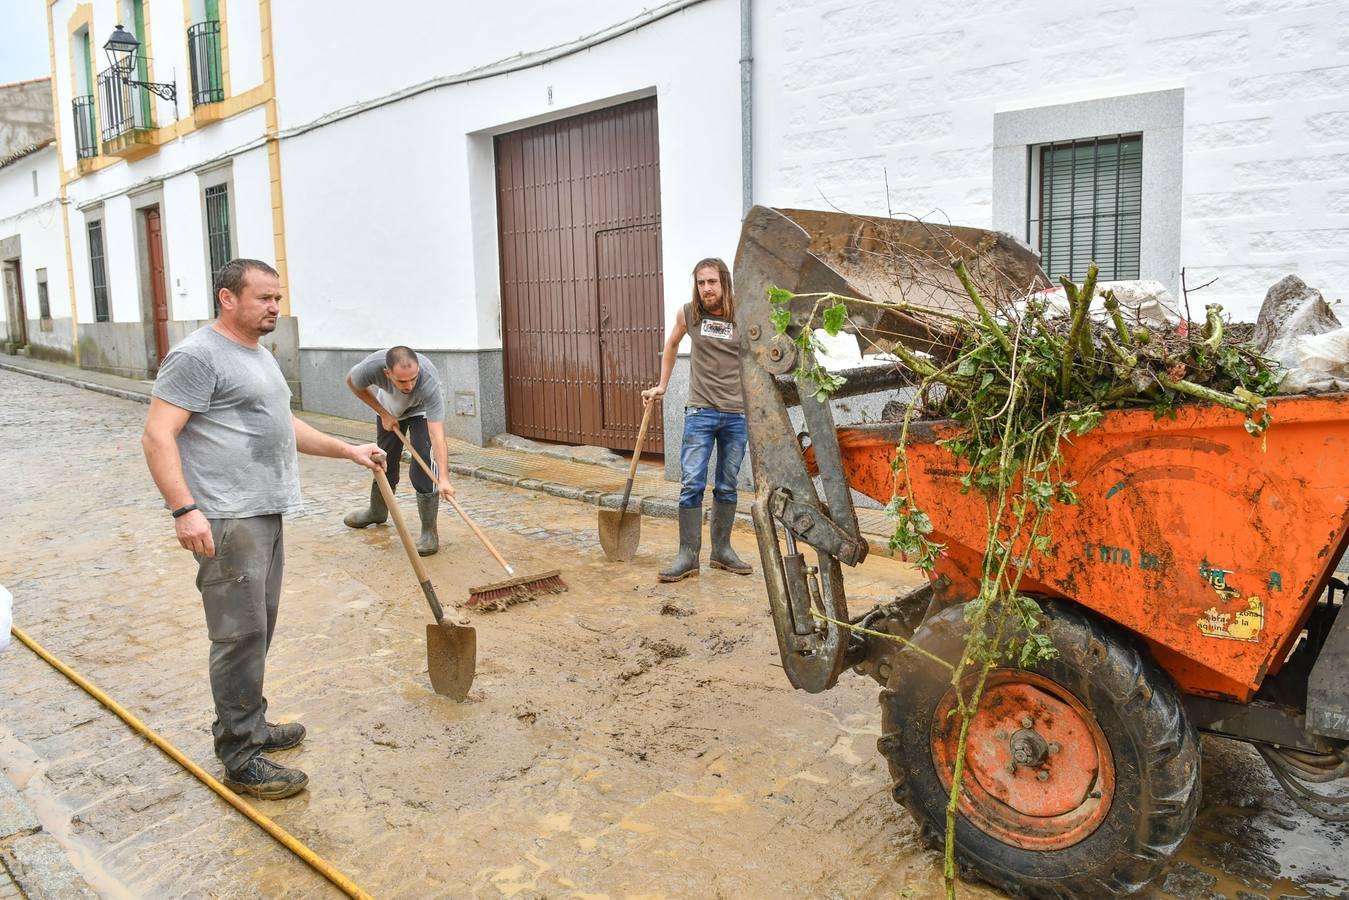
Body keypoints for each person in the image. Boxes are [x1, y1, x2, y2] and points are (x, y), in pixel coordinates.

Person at [142, 259, 383, 800]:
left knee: (258, 629)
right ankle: (241, 757)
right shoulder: (196, 356)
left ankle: (246, 727)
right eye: (264, 298)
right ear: (228, 299)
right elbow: (158, 436)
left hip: (263, 511)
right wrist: (185, 510)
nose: (276, 307)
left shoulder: (257, 355)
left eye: (278, 298)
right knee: (238, 635)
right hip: (226, 516)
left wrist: (347, 450)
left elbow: (281, 423)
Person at [642, 258, 753, 582]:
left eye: (712, 282)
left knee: (728, 484)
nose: (706, 288)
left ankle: (722, 551)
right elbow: (672, 343)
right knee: (692, 483)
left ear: (724, 283)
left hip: (736, 414)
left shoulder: (743, 315)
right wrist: (662, 385)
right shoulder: (689, 313)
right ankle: (688, 556)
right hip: (700, 412)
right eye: (701, 282)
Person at [341, 346, 455, 556]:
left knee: (423, 462)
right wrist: (382, 413)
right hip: (390, 410)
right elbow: (352, 382)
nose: (409, 385)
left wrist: (445, 479)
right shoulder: (370, 367)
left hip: (420, 412)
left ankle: (429, 532)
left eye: (413, 378)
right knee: (384, 460)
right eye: (402, 381)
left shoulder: (428, 380)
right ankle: (377, 511)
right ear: (387, 373)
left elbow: (437, 436)